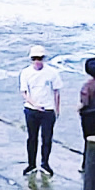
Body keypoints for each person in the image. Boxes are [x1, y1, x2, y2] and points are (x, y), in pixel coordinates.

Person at [20, 45, 61, 175]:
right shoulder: (25, 73)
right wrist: (34, 104)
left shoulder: (52, 73)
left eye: (40, 58)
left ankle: (45, 164)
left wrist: (57, 109)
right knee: (32, 138)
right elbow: (24, 92)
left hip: (48, 110)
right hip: (31, 110)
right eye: (35, 59)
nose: (37, 61)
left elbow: (56, 92)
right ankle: (31, 164)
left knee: (47, 138)